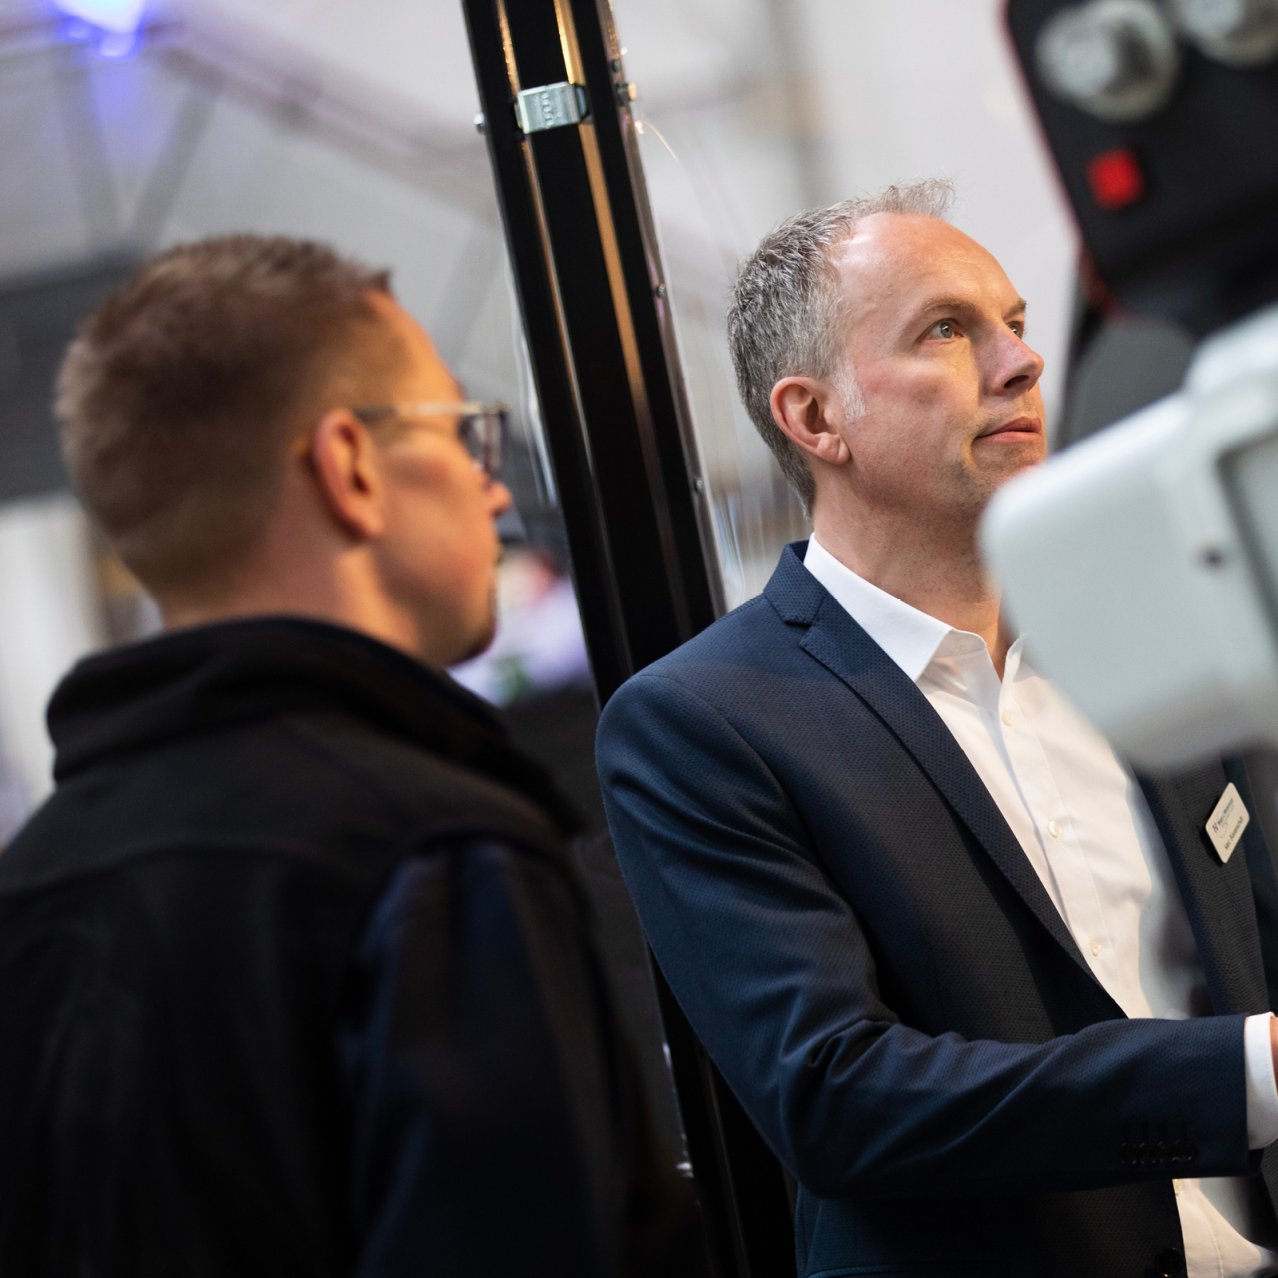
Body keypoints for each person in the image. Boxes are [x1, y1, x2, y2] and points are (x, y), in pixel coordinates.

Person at [595, 182, 1278, 1277]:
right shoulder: (704, 722)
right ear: (815, 419)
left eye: (1013, 322)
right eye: (948, 331)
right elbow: (837, 1098)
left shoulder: (1144, 638)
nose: (1022, 363)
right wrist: (1251, 1073)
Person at [0, 234, 700, 1277]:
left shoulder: (30, 885)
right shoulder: (435, 855)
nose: (494, 491)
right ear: (351, 467)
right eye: (462, 434)